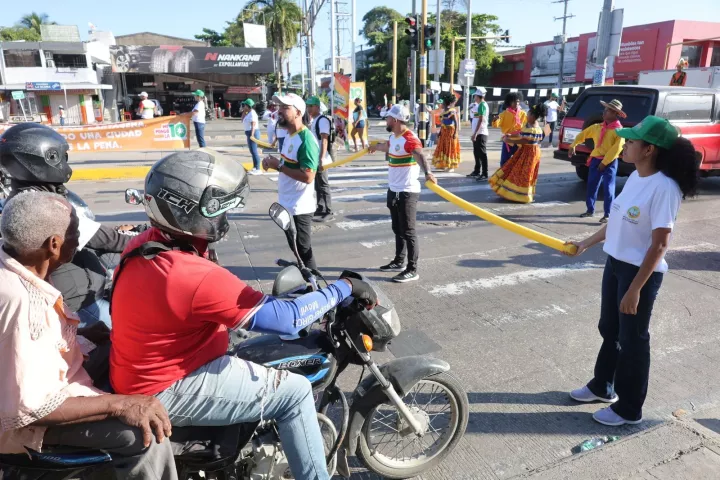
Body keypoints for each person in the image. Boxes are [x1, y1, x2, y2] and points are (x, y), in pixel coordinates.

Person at [109, 149, 377, 480]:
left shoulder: (145, 244)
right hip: (165, 385)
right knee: (294, 393)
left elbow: (206, 301)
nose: (223, 216)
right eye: (216, 208)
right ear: (187, 211)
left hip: (142, 368)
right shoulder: (189, 273)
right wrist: (345, 287)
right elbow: (288, 320)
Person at [0, 190, 177, 478]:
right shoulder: (22, 303)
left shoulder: (13, 260)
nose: (79, 240)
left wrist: (81, 335)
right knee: (148, 436)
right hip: (23, 426)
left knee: (125, 352)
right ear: (53, 244)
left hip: (47, 383)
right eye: (74, 233)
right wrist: (120, 404)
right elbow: (32, 408)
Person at [565, 116, 699, 427]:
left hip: (640, 273)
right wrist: (585, 243)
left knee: (633, 340)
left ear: (649, 150)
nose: (624, 144)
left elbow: (660, 245)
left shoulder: (664, 188)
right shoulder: (637, 177)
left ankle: (629, 409)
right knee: (610, 329)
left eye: (632, 141)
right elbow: (617, 220)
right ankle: (603, 386)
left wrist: (636, 288)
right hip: (615, 263)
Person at [0, 123, 133, 328]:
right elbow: (102, 239)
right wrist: (147, 238)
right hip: (80, 304)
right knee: (127, 329)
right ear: (45, 158)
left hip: (82, 289)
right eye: (60, 156)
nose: (64, 162)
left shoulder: (30, 195)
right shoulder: (40, 204)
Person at [369, 104, 437, 283]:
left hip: (407, 192)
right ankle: (399, 261)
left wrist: (428, 173)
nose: (386, 120)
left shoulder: (410, 138)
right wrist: (375, 146)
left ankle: (412, 269)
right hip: (394, 190)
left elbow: (420, 154)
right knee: (397, 229)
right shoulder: (394, 137)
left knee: (408, 231)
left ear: (395, 120)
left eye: (388, 118)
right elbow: (388, 146)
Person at [262, 93, 320, 270]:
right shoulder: (289, 135)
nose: (279, 111)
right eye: (279, 107)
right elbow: (288, 165)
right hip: (287, 203)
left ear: (298, 113)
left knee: (303, 249)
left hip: (299, 207)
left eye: (285, 107)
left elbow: (308, 177)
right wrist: (273, 163)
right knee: (295, 247)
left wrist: (279, 166)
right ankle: (304, 273)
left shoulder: (306, 139)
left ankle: (313, 282)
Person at [569, 99, 626, 223]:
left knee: (608, 188)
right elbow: (583, 135)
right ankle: (590, 210)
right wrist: (573, 144)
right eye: (605, 110)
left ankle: (608, 214)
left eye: (607, 111)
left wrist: (604, 163)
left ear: (615, 113)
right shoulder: (597, 127)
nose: (604, 112)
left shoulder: (619, 131)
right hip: (595, 160)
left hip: (609, 162)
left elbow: (616, 149)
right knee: (592, 185)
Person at [488, 103, 546, 203]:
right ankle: (513, 192)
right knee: (515, 170)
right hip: (525, 151)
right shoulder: (529, 125)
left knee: (526, 173)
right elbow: (521, 135)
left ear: (533, 116)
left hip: (531, 153)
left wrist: (510, 140)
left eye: (528, 114)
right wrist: (511, 136)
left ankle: (523, 195)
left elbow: (525, 140)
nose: (526, 116)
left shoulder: (534, 128)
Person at [306, 96, 334, 223]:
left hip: (321, 158)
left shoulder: (322, 120)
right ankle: (321, 207)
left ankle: (329, 211)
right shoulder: (315, 120)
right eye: (308, 106)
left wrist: (321, 158)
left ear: (317, 107)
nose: (309, 109)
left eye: (311, 106)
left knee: (323, 184)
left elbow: (324, 140)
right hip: (315, 157)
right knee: (317, 184)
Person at [493, 92, 527, 167]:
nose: (517, 103)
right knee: (504, 162)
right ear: (509, 102)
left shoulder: (523, 114)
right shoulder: (504, 114)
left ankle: (515, 174)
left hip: (519, 141)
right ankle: (504, 174)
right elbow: (496, 125)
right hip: (508, 141)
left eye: (518, 101)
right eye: (514, 101)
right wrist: (495, 119)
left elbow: (527, 126)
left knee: (518, 162)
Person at [432, 92, 461, 173]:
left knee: (450, 148)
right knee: (443, 148)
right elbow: (442, 123)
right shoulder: (444, 111)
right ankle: (442, 164)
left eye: (443, 102)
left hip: (450, 132)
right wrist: (440, 132)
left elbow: (456, 123)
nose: (442, 104)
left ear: (447, 103)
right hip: (444, 132)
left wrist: (455, 133)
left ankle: (451, 166)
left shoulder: (452, 111)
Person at [469, 88, 489, 180]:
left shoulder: (482, 105)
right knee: (476, 152)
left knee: (482, 153)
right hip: (477, 133)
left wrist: (475, 133)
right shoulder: (479, 105)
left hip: (481, 133)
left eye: (475, 96)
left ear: (478, 96)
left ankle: (484, 173)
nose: (474, 97)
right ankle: (477, 171)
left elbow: (481, 120)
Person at [241, 99, 262, 175]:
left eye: (244, 105)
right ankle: (255, 167)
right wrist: (244, 112)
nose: (243, 106)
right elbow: (242, 120)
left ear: (248, 106)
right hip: (249, 133)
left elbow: (253, 125)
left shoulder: (252, 113)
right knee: (252, 151)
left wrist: (252, 135)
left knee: (254, 151)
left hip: (253, 133)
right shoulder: (248, 113)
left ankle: (258, 169)